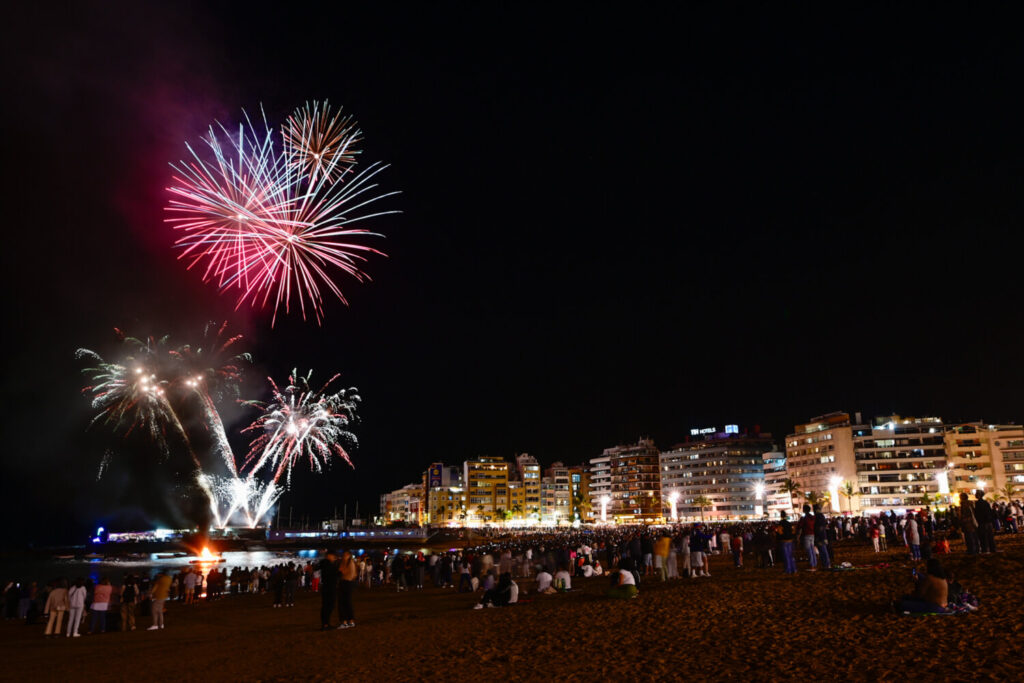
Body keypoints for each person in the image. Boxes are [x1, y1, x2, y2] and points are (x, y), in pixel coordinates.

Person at [336, 550, 357, 629]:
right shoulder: (351, 563)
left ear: (349, 555)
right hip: (349, 583)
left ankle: (345, 622)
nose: (343, 557)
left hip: (345, 583)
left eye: (345, 555)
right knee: (347, 603)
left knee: (343, 603)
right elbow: (354, 575)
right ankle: (350, 621)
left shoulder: (348, 563)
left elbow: (342, 572)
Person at [319, 550, 339, 630]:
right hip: (329, 587)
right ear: (329, 556)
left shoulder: (324, 563)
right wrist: (340, 573)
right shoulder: (327, 564)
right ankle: (325, 624)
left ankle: (325, 623)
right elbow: (332, 574)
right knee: (329, 606)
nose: (334, 558)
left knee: (326, 606)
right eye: (333, 556)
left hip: (326, 587)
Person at [798, 505, 818, 570]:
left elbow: (800, 526)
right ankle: (814, 563)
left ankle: (811, 565)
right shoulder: (813, 517)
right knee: (812, 550)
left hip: (806, 535)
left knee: (809, 550)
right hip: (812, 534)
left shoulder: (804, 518)